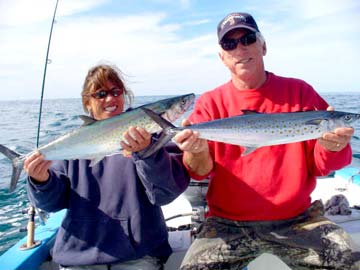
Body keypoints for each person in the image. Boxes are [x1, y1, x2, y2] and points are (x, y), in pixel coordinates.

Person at [174, 12, 360, 270]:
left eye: (248, 39)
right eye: (230, 44)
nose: (240, 48)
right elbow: (198, 170)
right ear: (222, 57)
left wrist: (332, 147)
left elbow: (321, 167)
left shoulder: (300, 92)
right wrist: (195, 150)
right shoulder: (210, 102)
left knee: (350, 263)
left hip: (298, 219)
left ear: (263, 46)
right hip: (227, 223)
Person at [24, 64, 190, 270]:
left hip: (138, 256)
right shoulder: (73, 145)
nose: (110, 99)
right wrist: (40, 181)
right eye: (100, 94)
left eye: (115, 91)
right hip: (79, 256)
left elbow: (165, 195)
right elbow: (51, 204)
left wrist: (147, 153)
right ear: (88, 103)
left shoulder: (151, 137)